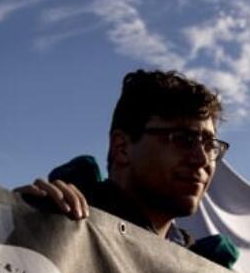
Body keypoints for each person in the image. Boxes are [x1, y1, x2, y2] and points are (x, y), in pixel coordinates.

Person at [17, 69, 226, 250]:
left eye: (210, 145)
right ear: (122, 147)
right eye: (182, 139)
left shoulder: (206, 268)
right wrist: (6, 223)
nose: (201, 159)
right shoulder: (51, 223)